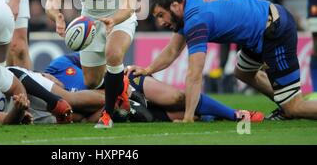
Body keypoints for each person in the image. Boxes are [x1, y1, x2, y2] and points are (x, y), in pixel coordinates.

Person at [129, 0, 317, 122]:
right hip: (262, 26)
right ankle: (284, 107)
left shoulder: (196, 20)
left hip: (275, 31)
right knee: (243, 72)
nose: (161, 22)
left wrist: (188, 117)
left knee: (295, 105)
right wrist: (148, 69)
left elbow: (194, 74)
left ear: (176, 6)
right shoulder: (189, 3)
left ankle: (288, 108)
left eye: (161, 15)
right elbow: (172, 50)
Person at [46, 0, 138, 128]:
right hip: (90, 20)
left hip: (119, 17)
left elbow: (129, 5)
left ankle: (107, 116)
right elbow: (52, 2)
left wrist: (113, 19)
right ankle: (121, 86)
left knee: (113, 54)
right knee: (92, 81)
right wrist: (57, 16)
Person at [45, 52, 264, 123]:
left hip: (127, 81)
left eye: (44, 78)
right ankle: (210, 117)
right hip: (124, 106)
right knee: (168, 115)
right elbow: (85, 119)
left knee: (178, 97)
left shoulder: (58, 66)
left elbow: (94, 57)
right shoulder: (56, 102)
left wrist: (120, 72)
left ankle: (236, 115)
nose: (47, 81)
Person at [0, 56, 105, 125]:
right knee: (79, 119)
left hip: (25, 86)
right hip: (17, 110)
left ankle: (124, 95)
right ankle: (123, 107)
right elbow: (3, 120)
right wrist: (19, 111)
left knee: (71, 101)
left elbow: (16, 84)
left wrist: (24, 103)